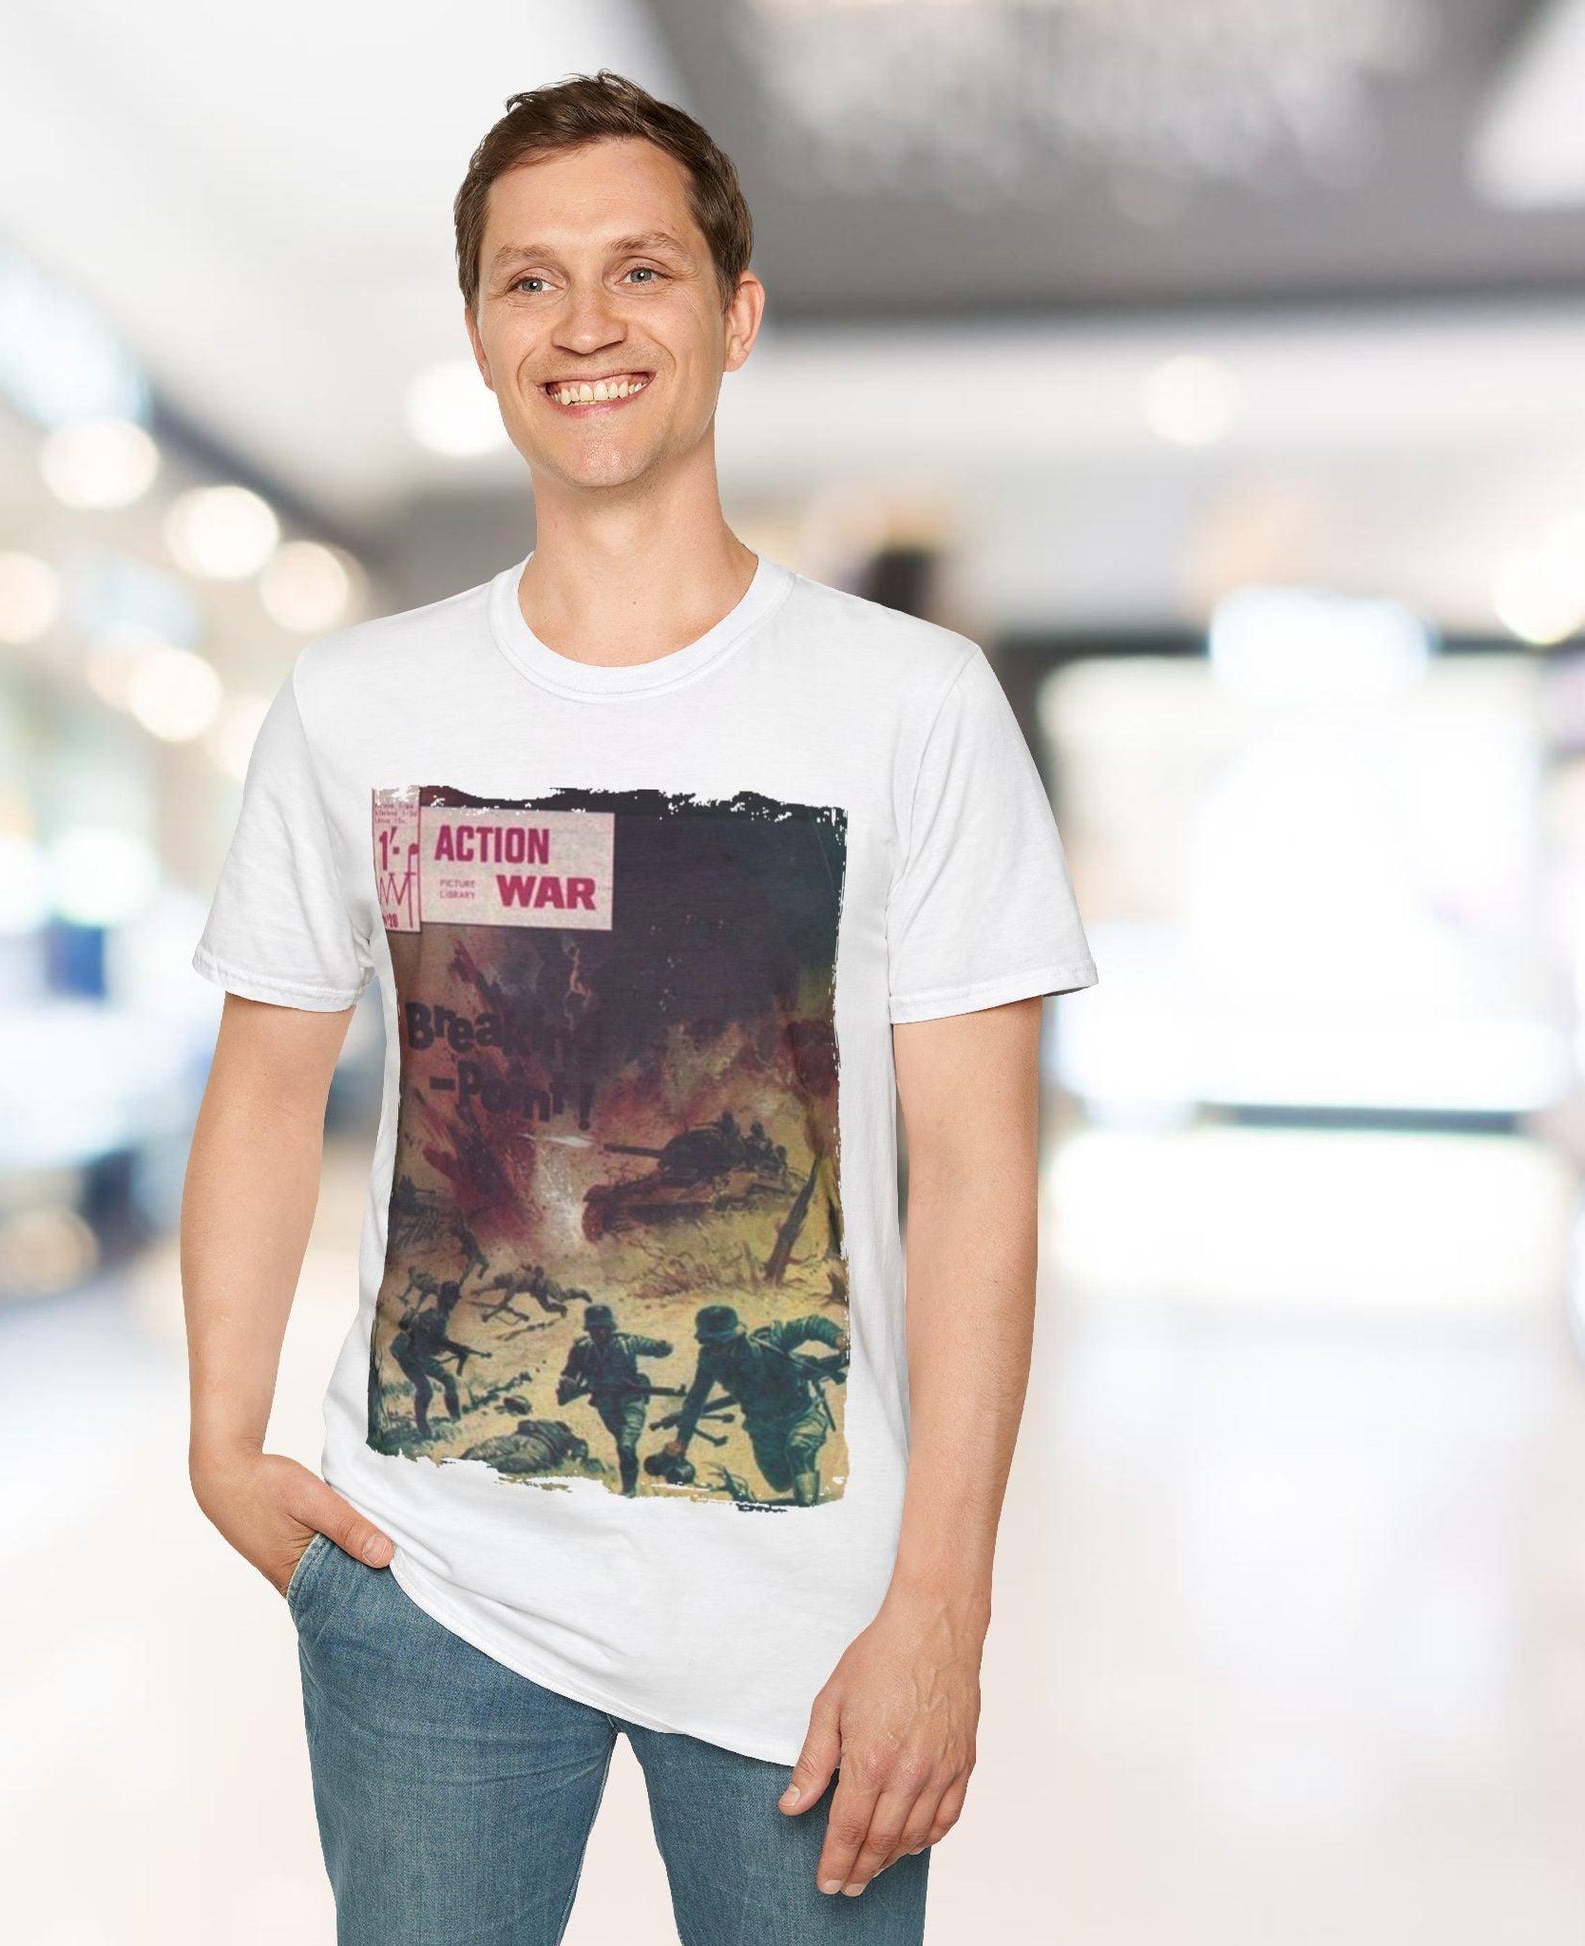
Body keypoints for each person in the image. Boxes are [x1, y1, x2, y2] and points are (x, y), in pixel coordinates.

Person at [181, 70, 1096, 1945]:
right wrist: (220, 1434)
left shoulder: (910, 706)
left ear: (733, 315)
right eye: (530, 282)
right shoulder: (362, 705)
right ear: (479, 334)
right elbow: (270, 1082)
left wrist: (943, 1606)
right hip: (425, 1594)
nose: (584, 324)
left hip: (812, 1620)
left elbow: (980, 1175)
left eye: (640, 272)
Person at [662, 1302, 847, 1507]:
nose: (713, 1349)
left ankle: (809, 1513)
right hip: (762, 1428)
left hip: (800, 1416)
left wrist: (839, 1339)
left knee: (798, 1449)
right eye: (708, 1343)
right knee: (780, 1482)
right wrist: (682, 1441)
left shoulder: (771, 1342)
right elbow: (696, 1399)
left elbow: (811, 1324)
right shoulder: (710, 1361)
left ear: (734, 1338)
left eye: (717, 1343)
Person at [556, 1301, 673, 1495]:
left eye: (604, 1329)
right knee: (622, 1443)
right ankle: (629, 1487)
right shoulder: (582, 1349)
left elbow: (656, 1348)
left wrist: (662, 1347)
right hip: (605, 1402)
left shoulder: (627, 1342)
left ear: (610, 1328)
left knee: (626, 1443)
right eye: (595, 1329)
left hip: (631, 1399)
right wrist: (568, 1382)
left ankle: (629, 1490)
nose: (600, 1333)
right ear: (589, 1330)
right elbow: (569, 1373)